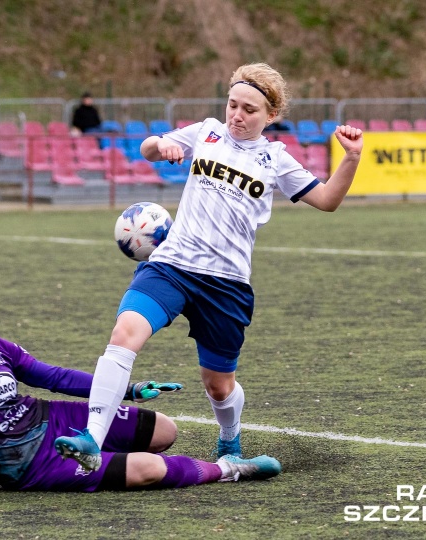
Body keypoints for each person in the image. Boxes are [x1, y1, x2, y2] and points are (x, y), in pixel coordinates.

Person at [54, 62, 364, 472]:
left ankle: (229, 443)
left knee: (218, 385)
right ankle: (92, 438)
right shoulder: (206, 132)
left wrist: (352, 158)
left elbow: (327, 200)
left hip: (226, 284)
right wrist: (159, 147)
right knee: (124, 332)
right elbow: (149, 147)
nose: (237, 115)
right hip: (172, 266)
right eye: (233, 104)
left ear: (270, 116)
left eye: (249, 110)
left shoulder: (276, 160)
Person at [0, 274, 282, 492]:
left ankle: (129, 456)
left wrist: (127, 389)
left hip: (50, 419)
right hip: (29, 461)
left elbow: (54, 378)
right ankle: (231, 469)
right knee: (149, 468)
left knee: (164, 430)